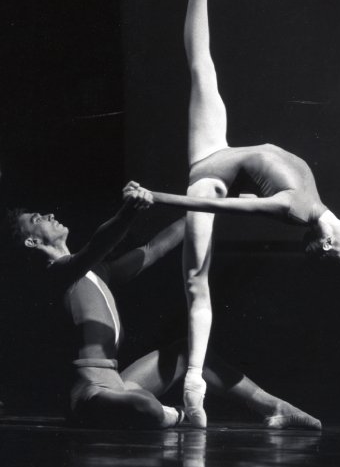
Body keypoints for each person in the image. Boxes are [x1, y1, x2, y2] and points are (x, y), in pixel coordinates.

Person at [145, 0, 340, 427]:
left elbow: (222, 205)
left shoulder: (295, 209)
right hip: (215, 149)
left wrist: (158, 197)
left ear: (329, 244)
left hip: (208, 183)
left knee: (197, 284)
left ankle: (194, 387)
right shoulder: (315, 199)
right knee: (202, 67)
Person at [5, 181, 321, 430]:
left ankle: (275, 408)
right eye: (37, 219)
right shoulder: (55, 274)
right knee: (143, 405)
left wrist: (214, 208)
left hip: (118, 383)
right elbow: (98, 245)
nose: (48, 215)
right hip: (90, 392)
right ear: (32, 242)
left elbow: (153, 248)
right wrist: (129, 211)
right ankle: (176, 415)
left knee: (187, 352)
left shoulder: (97, 271)